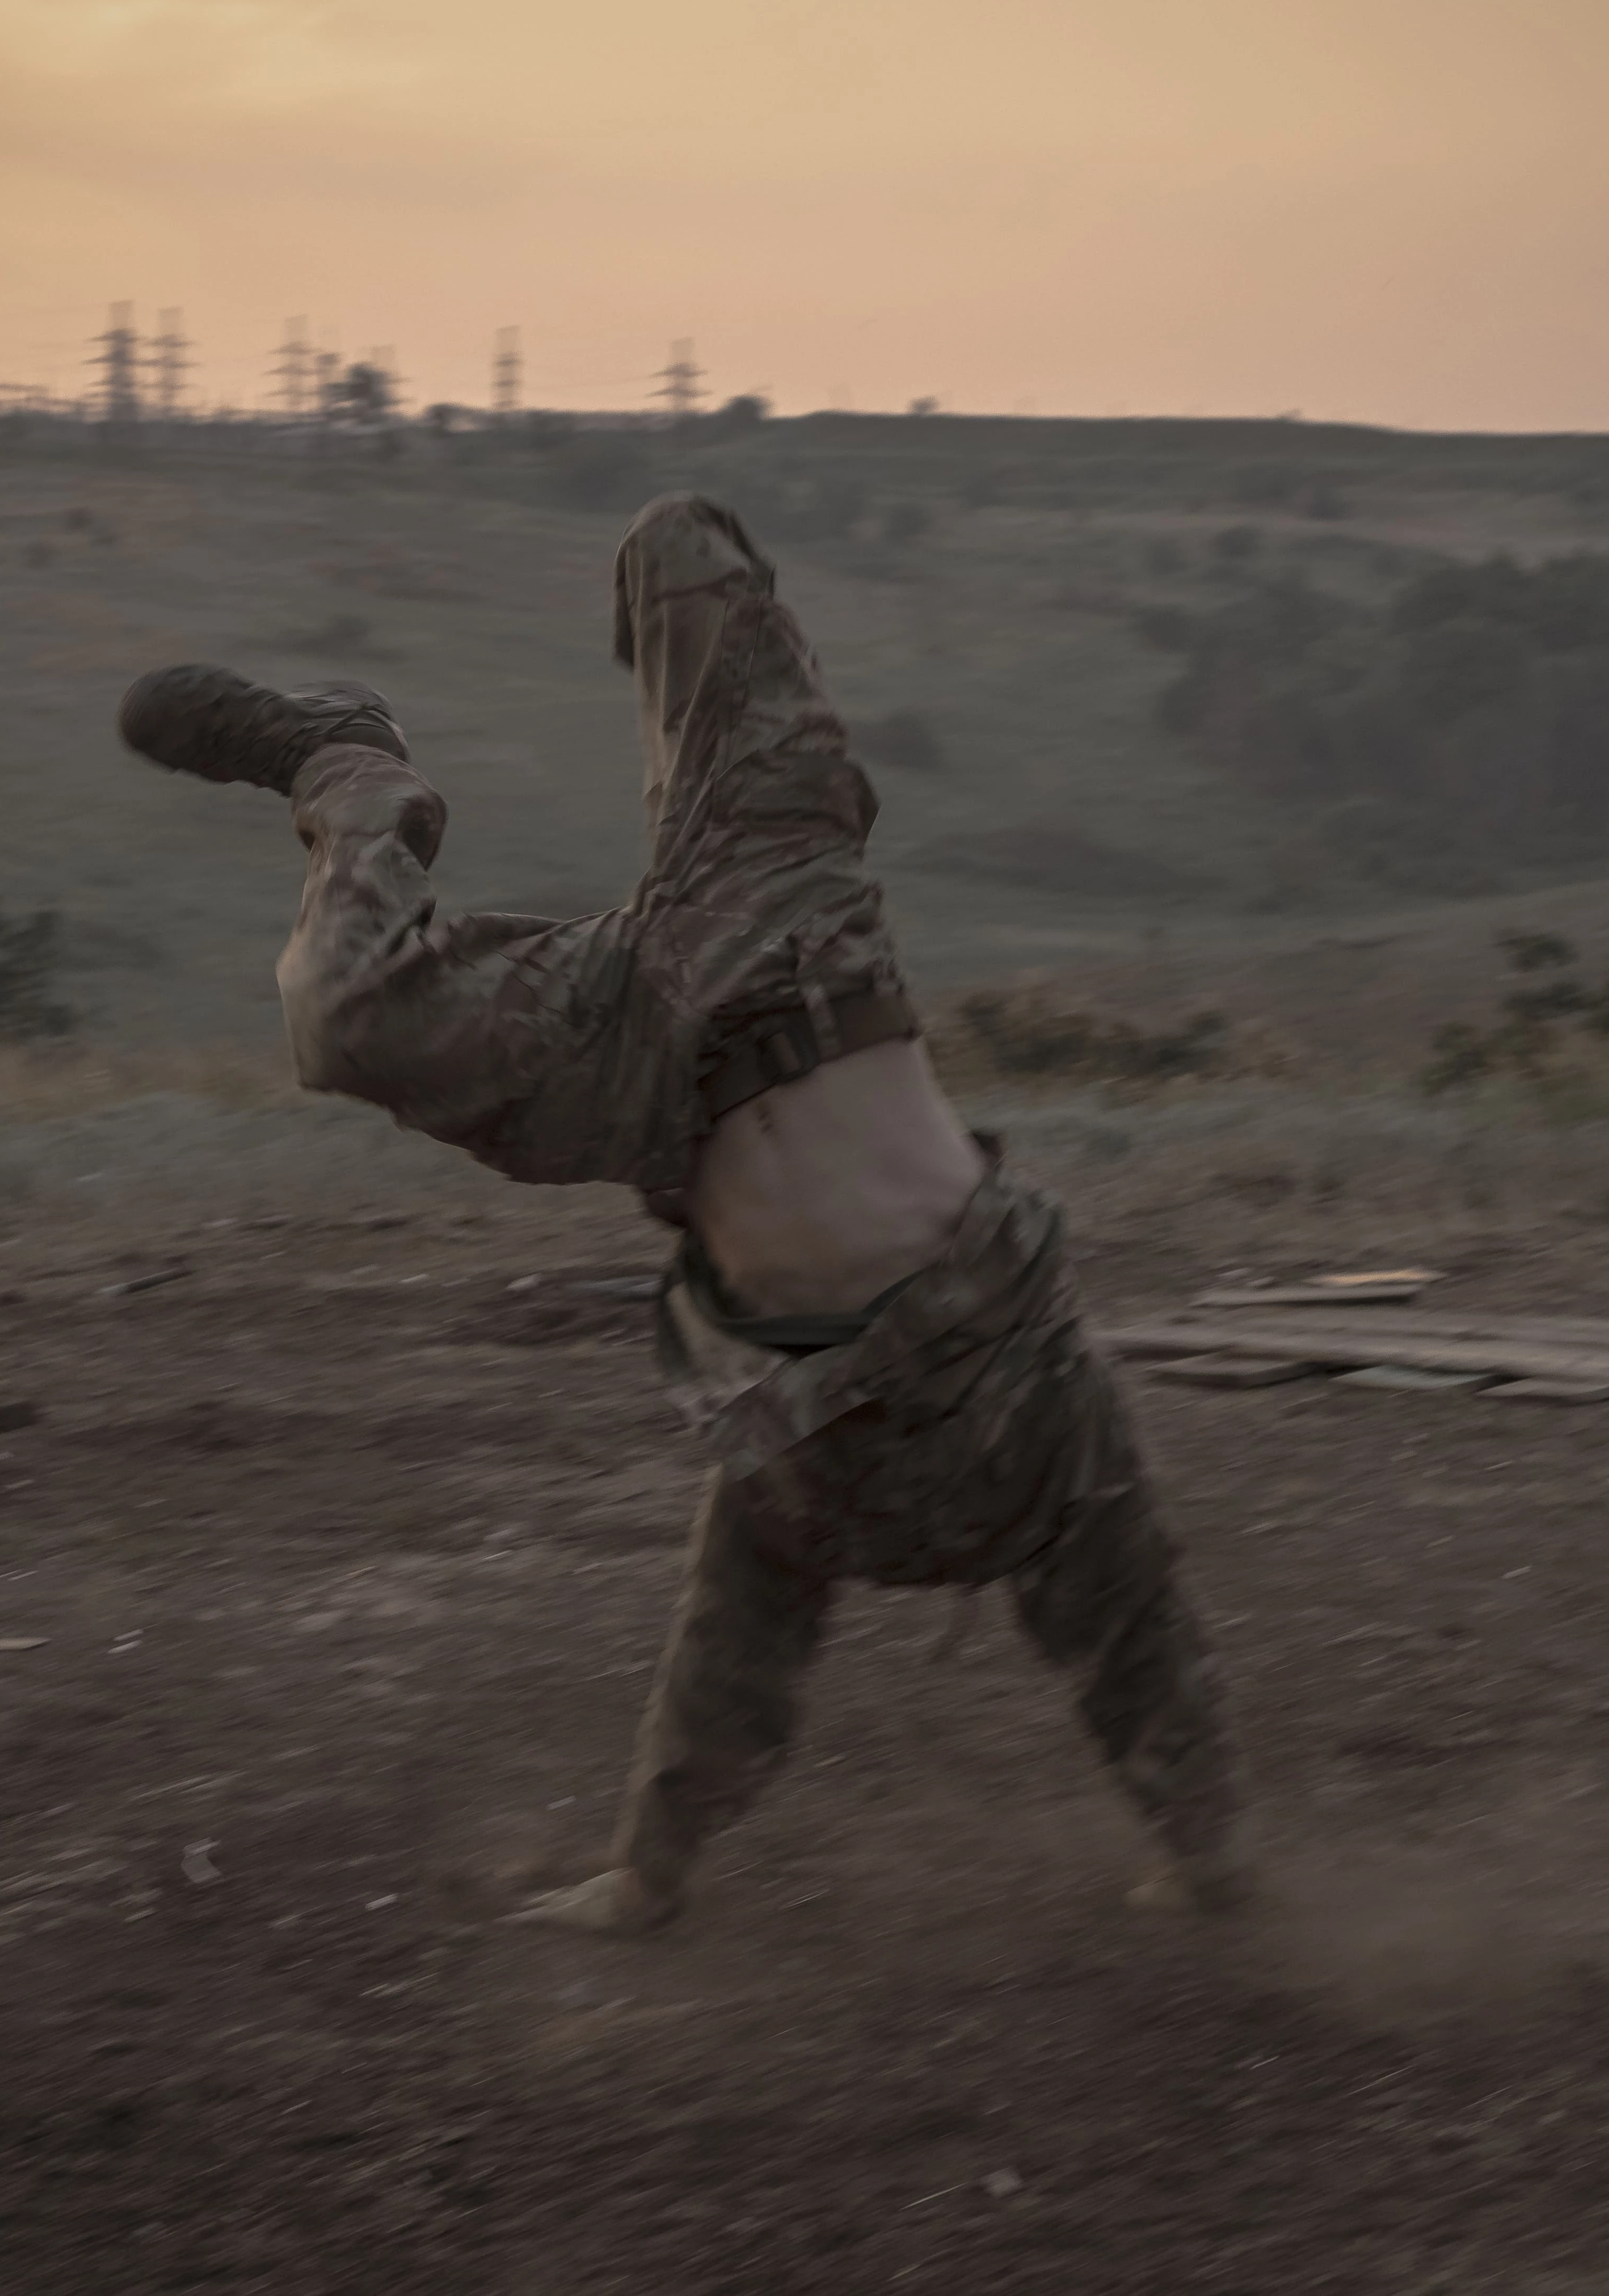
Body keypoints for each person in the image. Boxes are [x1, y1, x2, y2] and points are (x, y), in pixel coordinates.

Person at [120, 493, 1240, 1931]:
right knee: (678, 548)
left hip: (648, 1064)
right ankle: (373, 752)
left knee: (341, 1017)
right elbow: (1135, 1610)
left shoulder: (796, 1470)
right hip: (791, 927)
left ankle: (347, 768)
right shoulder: (1038, 1422)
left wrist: (647, 1879)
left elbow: (736, 1659)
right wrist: (1211, 1850)